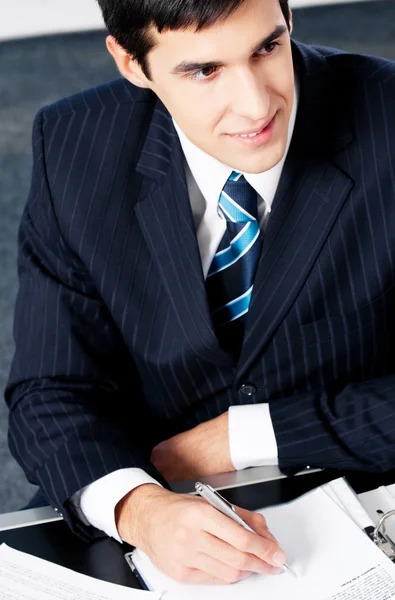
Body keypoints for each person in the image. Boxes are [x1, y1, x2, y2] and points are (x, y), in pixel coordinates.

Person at [5, 0, 395, 586]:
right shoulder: (72, 145)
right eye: (204, 70)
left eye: (268, 47)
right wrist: (137, 506)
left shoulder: (387, 119)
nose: (258, 103)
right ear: (131, 64)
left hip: (360, 481)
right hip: (153, 496)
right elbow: (49, 387)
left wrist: (242, 437)